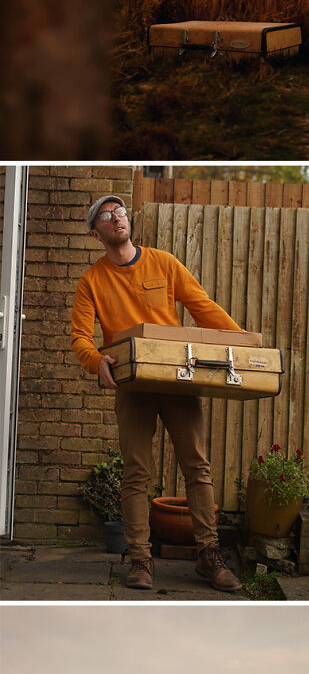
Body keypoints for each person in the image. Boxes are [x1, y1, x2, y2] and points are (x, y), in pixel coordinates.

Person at [71, 195, 244, 593]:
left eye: (120, 212)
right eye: (106, 216)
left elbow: (203, 307)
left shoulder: (163, 263)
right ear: (95, 232)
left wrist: (243, 343)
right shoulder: (91, 281)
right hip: (133, 385)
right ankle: (140, 559)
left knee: (197, 466)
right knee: (135, 472)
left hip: (177, 379)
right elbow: (81, 335)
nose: (117, 218)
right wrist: (94, 359)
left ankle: (208, 556)